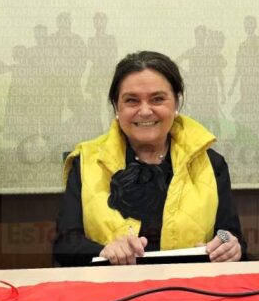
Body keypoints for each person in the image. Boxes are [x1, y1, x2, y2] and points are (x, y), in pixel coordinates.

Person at [53, 51, 245, 266]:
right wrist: (104, 251)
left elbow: (230, 234)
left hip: (189, 283)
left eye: (157, 99)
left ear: (176, 103)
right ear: (116, 107)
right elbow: (65, 245)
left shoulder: (210, 162)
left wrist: (228, 244)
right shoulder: (86, 162)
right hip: (114, 283)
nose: (145, 111)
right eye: (132, 101)